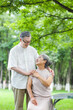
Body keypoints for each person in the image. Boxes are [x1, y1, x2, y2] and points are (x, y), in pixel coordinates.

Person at [7, 31, 39, 110]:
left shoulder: (32, 50)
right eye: (26, 42)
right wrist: (26, 73)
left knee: (31, 106)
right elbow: (12, 66)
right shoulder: (14, 51)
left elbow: (39, 62)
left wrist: (48, 68)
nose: (28, 43)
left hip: (31, 82)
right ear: (21, 40)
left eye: (29, 41)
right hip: (18, 82)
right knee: (19, 107)